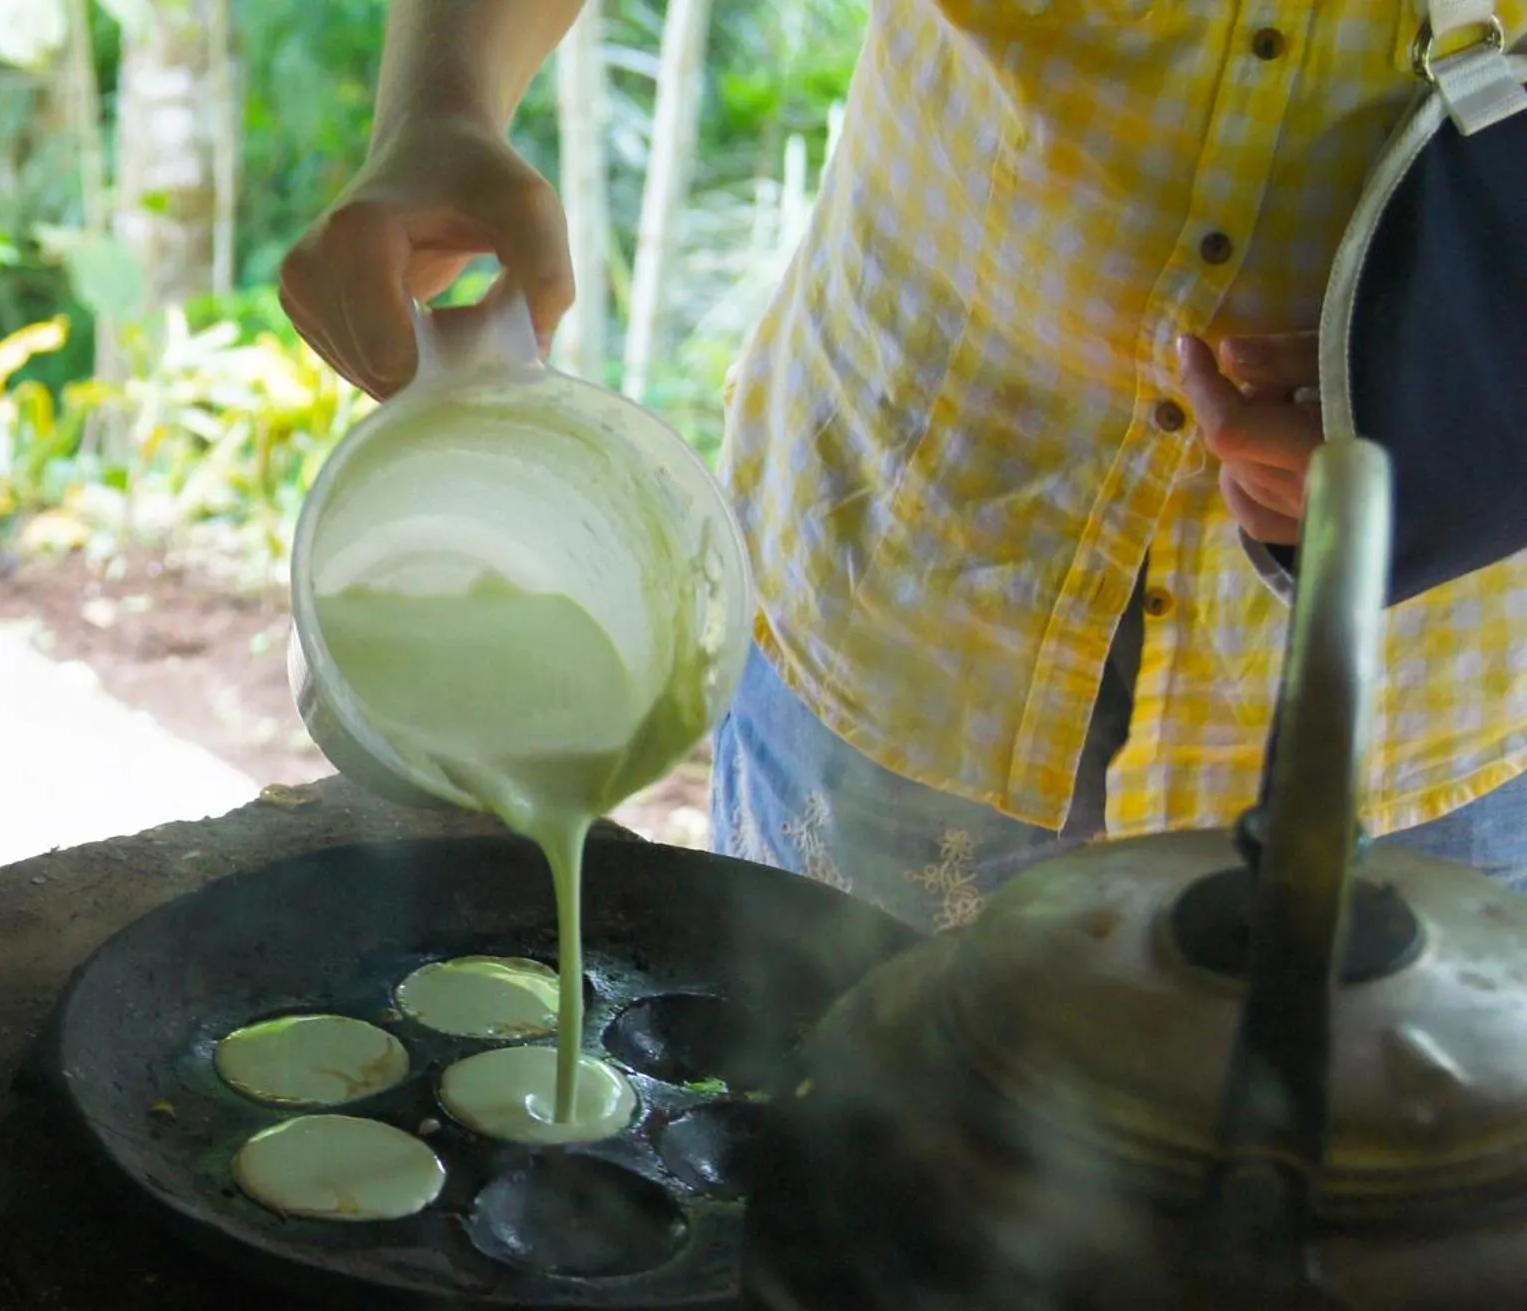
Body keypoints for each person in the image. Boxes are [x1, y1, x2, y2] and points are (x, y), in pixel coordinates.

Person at [280, 0, 1527, 930]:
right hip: (909, 580)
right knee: (812, 1166)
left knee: (1335, 1254)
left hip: (1424, 711)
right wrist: (440, 103)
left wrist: (1492, 423)